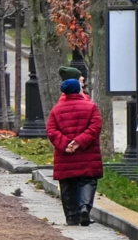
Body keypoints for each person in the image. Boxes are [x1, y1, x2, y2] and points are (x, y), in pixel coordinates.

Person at [47, 78, 103, 227]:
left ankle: (72, 217)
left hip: (65, 155)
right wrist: (79, 142)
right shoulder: (91, 107)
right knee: (88, 180)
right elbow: (95, 127)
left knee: (67, 185)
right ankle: (84, 207)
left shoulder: (56, 109)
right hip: (87, 152)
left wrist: (66, 144)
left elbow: (51, 131)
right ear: (78, 89)